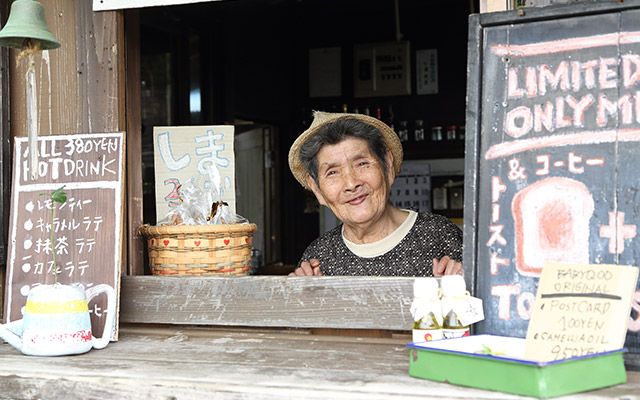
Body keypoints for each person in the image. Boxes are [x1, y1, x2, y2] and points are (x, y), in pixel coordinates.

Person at [287, 111, 463, 277]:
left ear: (387, 165)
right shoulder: (318, 258)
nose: (351, 184)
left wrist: (464, 283)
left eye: (362, 164)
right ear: (316, 189)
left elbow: (482, 302)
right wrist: (301, 295)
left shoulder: (440, 236)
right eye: (332, 172)